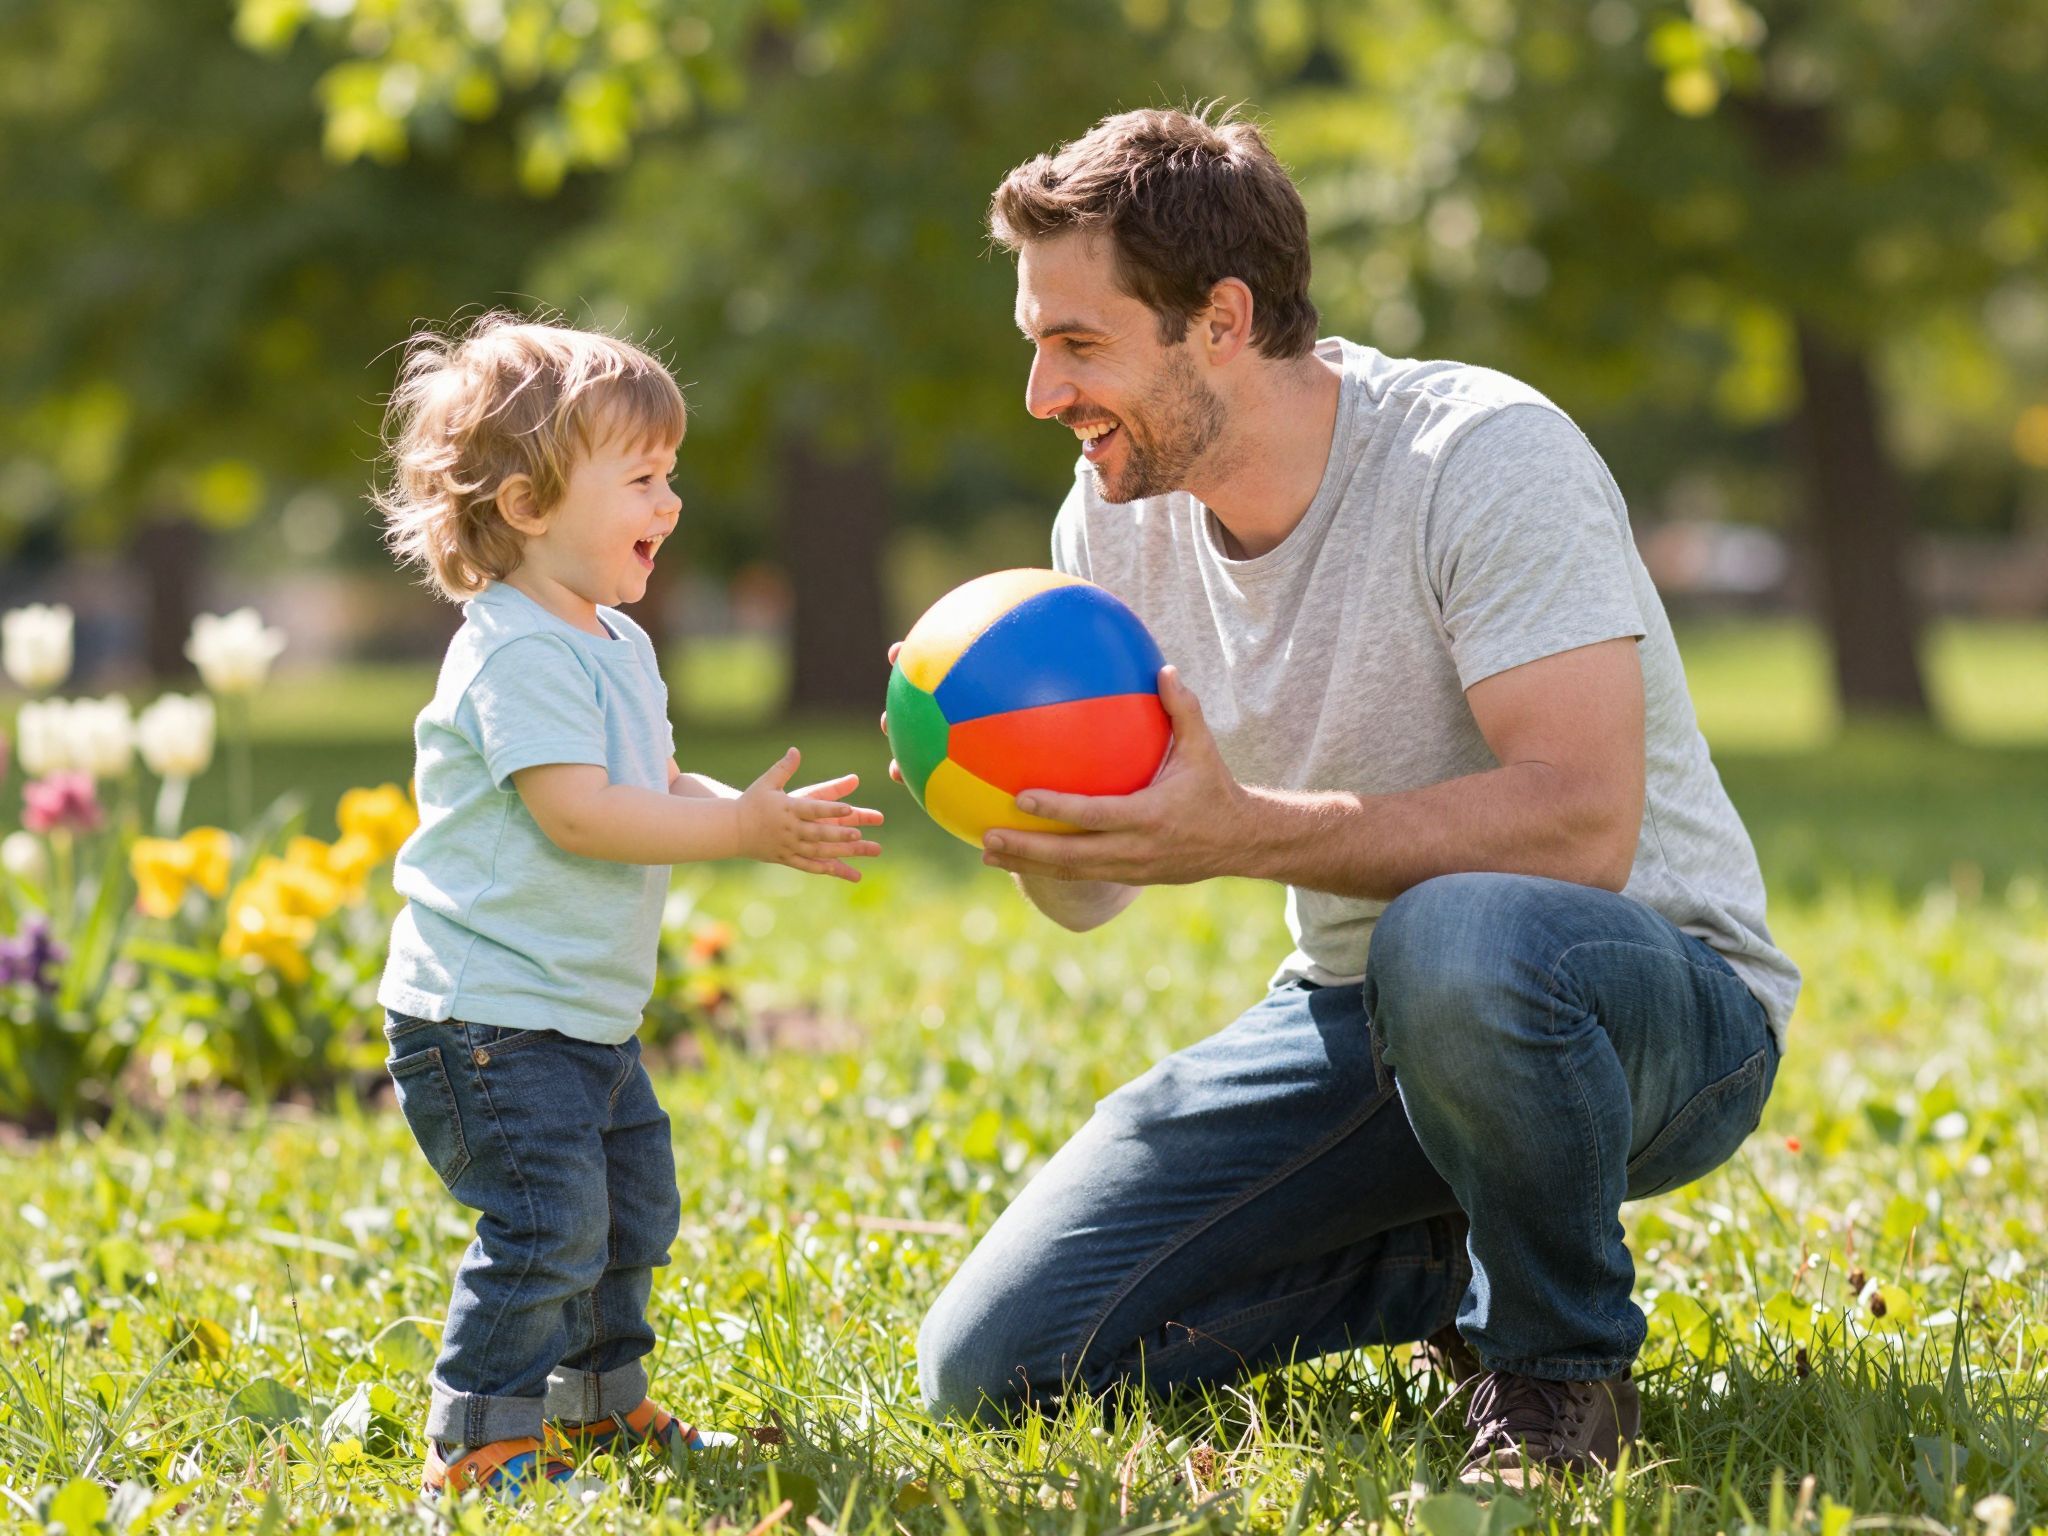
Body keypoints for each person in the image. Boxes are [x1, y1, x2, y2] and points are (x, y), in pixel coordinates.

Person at [907, 108, 1800, 1489]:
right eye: (1035, 341)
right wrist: (1012, 799)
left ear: (1221, 319)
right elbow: (1094, 893)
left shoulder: (1481, 457)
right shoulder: (1107, 523)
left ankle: (1558, 1377)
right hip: (1361, 1022)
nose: (1040, 394)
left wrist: (1242, 832)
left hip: (1643, 1007)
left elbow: (1580, 823)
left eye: (1076, 344)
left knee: (1452, 936)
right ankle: (1436, 1273)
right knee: (997, 1367)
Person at [372, 314, 883, 1497]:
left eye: (672, 472)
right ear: (528, 505)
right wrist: (735, 830)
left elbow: (645, 788)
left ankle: (596, 1407)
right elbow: (580, 816)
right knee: (549, 1226)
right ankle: (481, 1437)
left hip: (578, 1014)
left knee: (630, 1212)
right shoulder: (510, 653)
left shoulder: (613, 643)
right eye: (642, 477)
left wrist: (746, 815)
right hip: (485, 1019)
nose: (674, 500)